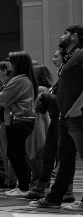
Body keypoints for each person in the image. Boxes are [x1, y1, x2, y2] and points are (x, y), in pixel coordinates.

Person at [32, 25, 83, 209]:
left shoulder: (81, 54)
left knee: (69, 157)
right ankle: (55, 197)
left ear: (75, 36)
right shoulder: (69, 58)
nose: (62, 36)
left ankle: (57, 196)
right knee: (64, 157)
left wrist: (77, 107)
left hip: (77, 115)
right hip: (66, 115)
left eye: (66, 33)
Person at [0, 53, 37, 199]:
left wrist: (3, 100)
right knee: (16, 153)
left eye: (11, 61)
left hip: (17, 120)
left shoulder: (19, 80)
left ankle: (24, 186)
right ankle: (23, 185)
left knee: (15, 154)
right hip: (20, 119)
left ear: (17, 63)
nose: (8, 64)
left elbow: (0, 99)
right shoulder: (24, 79)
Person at [31, 48, 71, 202]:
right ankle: (40, 188)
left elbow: (62, 99)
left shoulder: (65, 77)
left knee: (63, 158)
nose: (53, 59)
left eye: (56, 56)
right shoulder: (60, 77)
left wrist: (45, 96)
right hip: (55, 119)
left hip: (61, 119)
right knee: (48, 156)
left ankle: (67, 191)